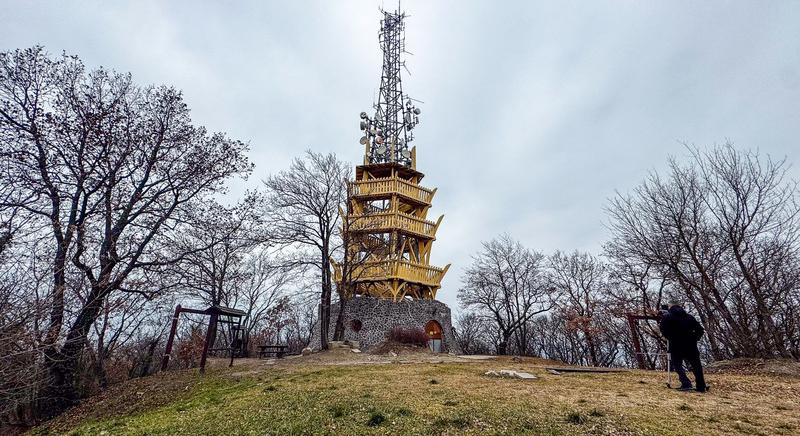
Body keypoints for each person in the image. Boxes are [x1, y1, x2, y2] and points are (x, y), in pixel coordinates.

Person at [658, 299, 708, 392]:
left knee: (677, 364)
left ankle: (686, 383)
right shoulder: (689, 317)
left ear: (670, 307)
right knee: (696, 366)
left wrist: (671, 338)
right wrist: (695, 338)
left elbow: (663, 330)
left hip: (675, 345)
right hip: (691, 345)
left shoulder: (667, 317)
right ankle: (701, 386)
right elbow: (700, 330)